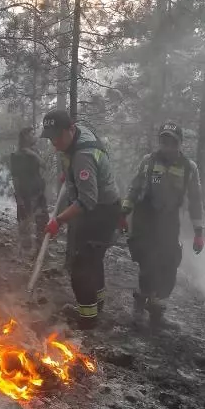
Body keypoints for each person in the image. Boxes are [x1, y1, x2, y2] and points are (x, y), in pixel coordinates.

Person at [40, 110, 121, 329]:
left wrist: (58, 220)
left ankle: (87, 320)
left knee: (81, 267)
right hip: (101, 208)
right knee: (93, 260)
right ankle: (98, 303)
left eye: (57, 137)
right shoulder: (77, 138)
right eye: (50, 138)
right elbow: (78, 169)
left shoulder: (83, 155)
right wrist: (71, 174)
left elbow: (87, 200)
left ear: (71, 129)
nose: (55, 143)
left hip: (100, 212)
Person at [119, 122, 204, 329]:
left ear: (179, 143)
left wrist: (198, 232)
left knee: (169, 265)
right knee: (148, 264)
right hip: (145, 218)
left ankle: (157, 312)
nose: (167, 146)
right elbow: (134, 188)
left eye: (172, 142)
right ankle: (139, 306)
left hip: (169, 221)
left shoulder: (188, 168)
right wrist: (123, 213)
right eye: (163, 141)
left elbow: (195, 201)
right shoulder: (148, 161)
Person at [10, 127, 49, 253]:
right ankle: (25, 252)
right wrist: (19, 198)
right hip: (26, 194)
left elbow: (44, 166)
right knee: (25, 224)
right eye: (32, 134)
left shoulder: (34, 153)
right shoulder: (16, 156)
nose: (35, 136)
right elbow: (15, 178)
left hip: (39, 193)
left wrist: (33, 154)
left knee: (42, 221)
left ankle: (41, 250)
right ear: (25, 136)